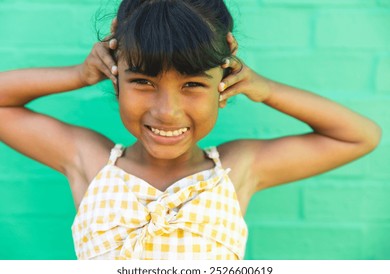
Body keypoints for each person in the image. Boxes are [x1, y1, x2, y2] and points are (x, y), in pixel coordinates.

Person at [0, 0, 381, 260]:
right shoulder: (90, 163)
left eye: (193, 84)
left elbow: (360, 135)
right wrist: (79, 74)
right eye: (143, 82)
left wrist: (264, 88)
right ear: (114, 76)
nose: (167, 112)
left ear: (225, 81)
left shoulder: (236, 171)